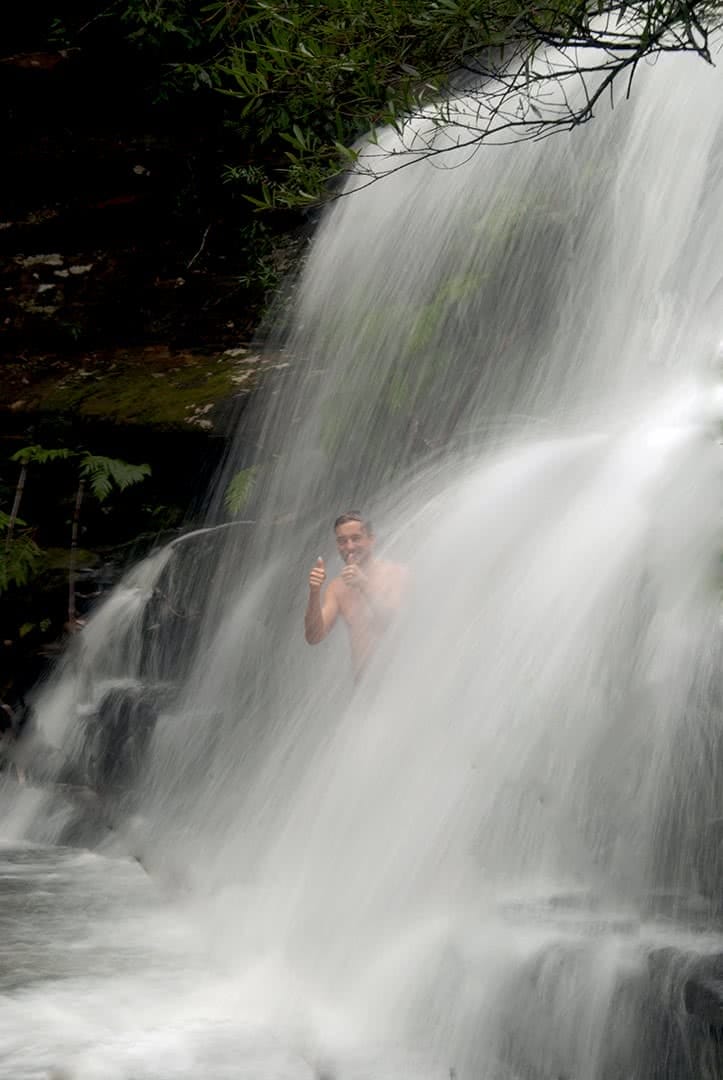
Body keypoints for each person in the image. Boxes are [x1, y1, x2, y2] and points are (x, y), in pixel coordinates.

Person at [304, 511, 408, 677]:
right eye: (342, 541)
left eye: (356, 538)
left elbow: (392, 624)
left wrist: (364, 585)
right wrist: (314, 592)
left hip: (400, 683)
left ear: (371, 540)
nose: (350, 546)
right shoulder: (337, 588)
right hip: (362, 692)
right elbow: (314, 637)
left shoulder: (397, 574)